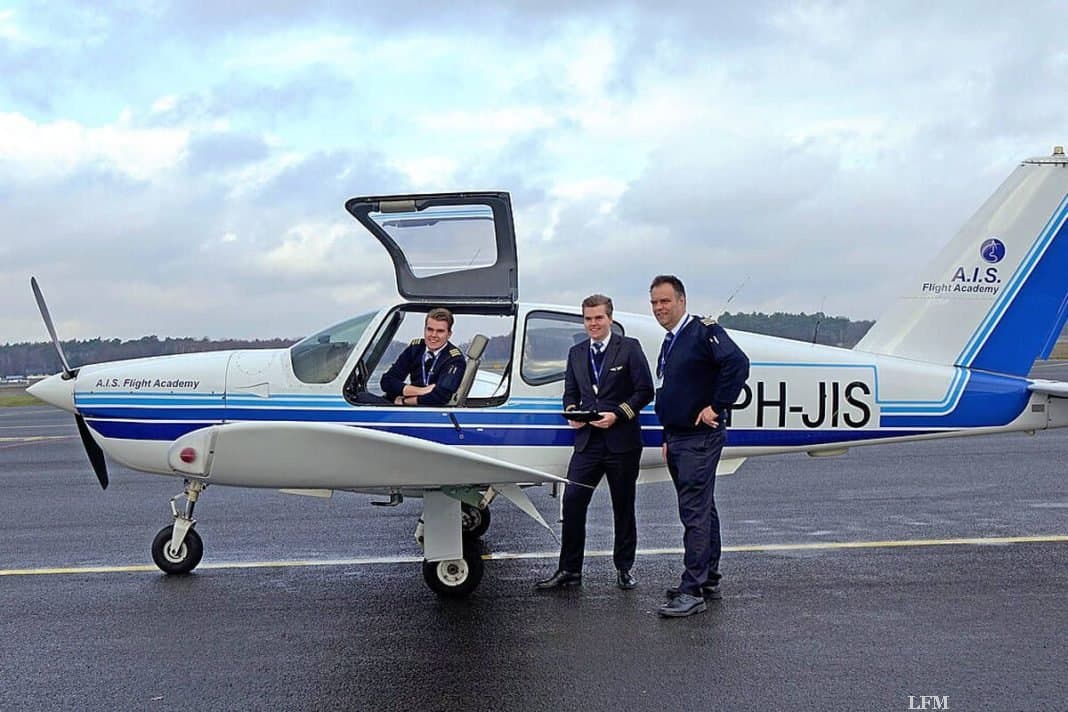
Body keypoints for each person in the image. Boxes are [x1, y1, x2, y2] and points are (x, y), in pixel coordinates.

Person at [535, 294, 654, 591]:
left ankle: (624, 568)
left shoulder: (629, 348)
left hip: (621, 442)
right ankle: (569, 571)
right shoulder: (576, 353)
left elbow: (645, 391)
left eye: (598, 318)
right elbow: (570, 394)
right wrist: (573, 413)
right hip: (588, 443)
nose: (593, 324)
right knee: (573, 503)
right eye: (588, 319)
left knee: (623, 507)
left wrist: (618, 415)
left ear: (610, 319)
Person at [649, 275, 749, 618]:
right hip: (678, 437)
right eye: (654, 303)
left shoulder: (704, 331)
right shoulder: (670, 341)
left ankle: (692, 590)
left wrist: (717, 405)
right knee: (703, 508)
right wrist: (666, 435)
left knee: (693, 512)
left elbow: (738, 363)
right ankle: (708, 576)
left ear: (682, 301)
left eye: (665, 301)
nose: (660, 308)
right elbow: (669, 391)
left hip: (699, 438)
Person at [380, 308, 466, 406]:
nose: (433, 335)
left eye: (440, 331)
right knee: (362, 397)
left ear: (449, 334)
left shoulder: (454, 359)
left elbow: (440, 396)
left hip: (428, 412)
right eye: (430, 329)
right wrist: (421, 391)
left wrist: (404, 401)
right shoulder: (415, 349)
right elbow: (386, 381)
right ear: (424, 329)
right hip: (409, 409)